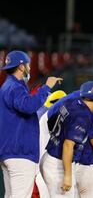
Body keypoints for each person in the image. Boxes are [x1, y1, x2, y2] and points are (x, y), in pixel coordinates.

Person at [40, 81, 93, 197]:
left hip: (53, 157)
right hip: (58, 163)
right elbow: (68, 145)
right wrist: (67, 176)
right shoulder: (83, 115)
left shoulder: (72, 101)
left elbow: (50, 120)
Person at [0, 50, 62, 198]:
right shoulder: (15, 86)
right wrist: (47, 87)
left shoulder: (7, 86)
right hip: (20, 152)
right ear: (21, 66)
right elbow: (28, 106)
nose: (29, 67)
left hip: (10, 151)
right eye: (27, 64)